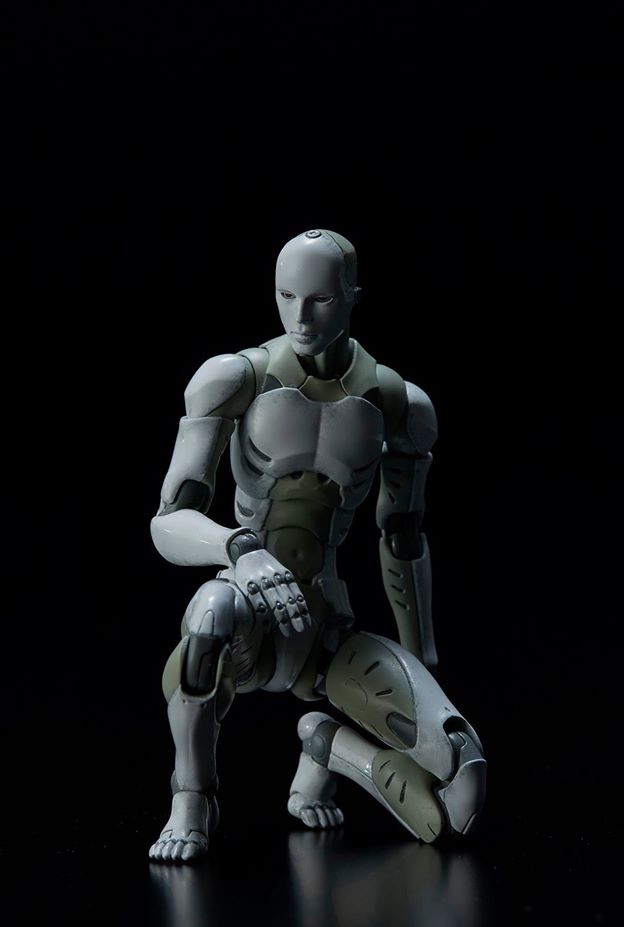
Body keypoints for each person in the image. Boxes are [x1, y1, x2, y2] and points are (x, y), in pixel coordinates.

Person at [148, 228, 486, 863]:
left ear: (354, 296)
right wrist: (240, 550)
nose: (300, 317)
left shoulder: (398, 403)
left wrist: (419, 654)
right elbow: (167, 523)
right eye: (286, 296)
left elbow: (403, 536)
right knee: (209, 611)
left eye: (320, 299)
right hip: (243, 614)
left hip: (326, 628)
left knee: (463, 782)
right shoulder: (234, 378)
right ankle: (191, 799)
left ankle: (327, 746)